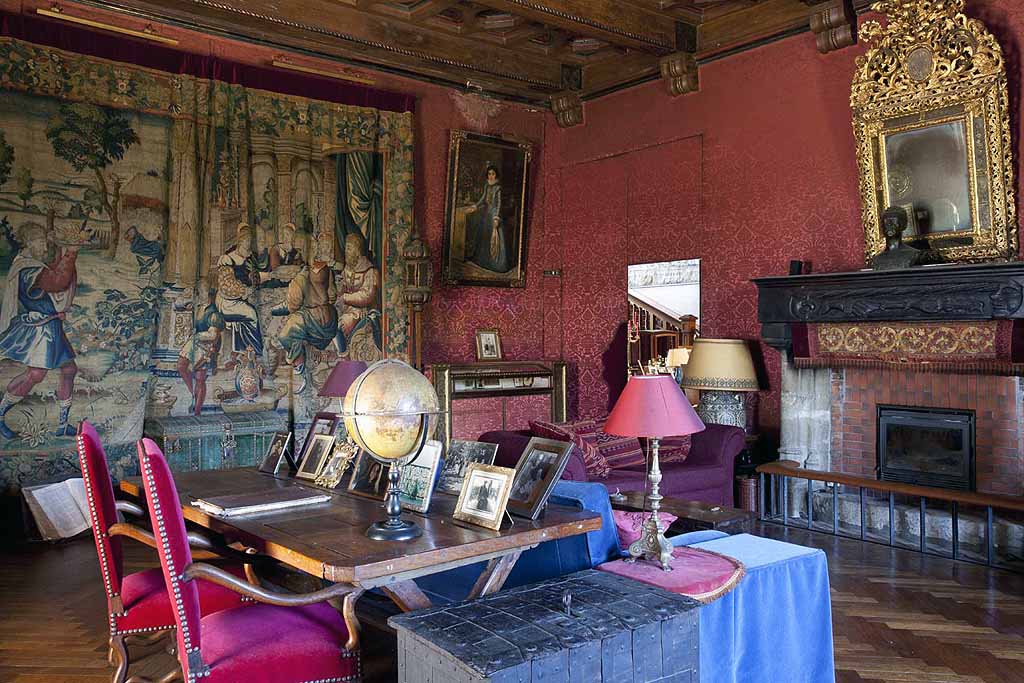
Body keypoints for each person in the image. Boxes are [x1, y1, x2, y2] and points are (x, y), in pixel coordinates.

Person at [0, 222, 79, 438]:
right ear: (30, 243)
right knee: (35, 374)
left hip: (50, 325)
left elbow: (52, 269)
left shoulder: (30, 264)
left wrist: (60, 247)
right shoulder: (27, 268)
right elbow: (58, 281)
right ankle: (0, 415)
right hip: (42, 329)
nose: (45, 247)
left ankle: (62, 424)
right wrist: (71, 252)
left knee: (69, 369)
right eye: (42, 242)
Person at [277, 240, 338, 391]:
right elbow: (332, 296)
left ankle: (299, 365)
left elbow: (293, 305)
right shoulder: (327, 270)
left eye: (299, 251)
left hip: (314, 322)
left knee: (285, 335)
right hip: (330, 319)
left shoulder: (300, 278)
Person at [216, 222, 263, 365]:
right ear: (240, 240)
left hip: (244, 298)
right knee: (251, 314)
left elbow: (256, 278)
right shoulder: (228, 258)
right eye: (246, 240)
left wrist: (254, 278)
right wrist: (245, 290)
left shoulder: (251, 258)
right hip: (228, 301)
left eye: (250, 240)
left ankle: (242, 351)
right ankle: (257, 352)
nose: (248, 243)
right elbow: (226, 285)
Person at [176, 288, 224, 415]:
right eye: (199, 291)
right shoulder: (198, 308)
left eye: (202, 291)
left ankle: (197, 411)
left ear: (209, 295)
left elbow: (213, 336)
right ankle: (194, 392)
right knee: (181, 366)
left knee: (200, 378)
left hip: (206, 346)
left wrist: (196, 337)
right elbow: (178, 304)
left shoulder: (214, 314)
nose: (198, 294)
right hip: (194, 343)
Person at [336, 232, 380, 355]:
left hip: (361, 311)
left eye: (349, 248)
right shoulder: (348, 268)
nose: (346, 252)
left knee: (339, 327)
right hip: (345, 307)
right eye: (346, 248)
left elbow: (367, 295)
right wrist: (339, 287)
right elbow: (343, 289)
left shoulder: (370, 271)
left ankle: (343, 356)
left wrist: (345, 297)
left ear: (357, 250)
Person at [465, 165, 509, 273]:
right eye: (489, 174)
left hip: (494, 215)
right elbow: (483, 198)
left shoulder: (498, 188)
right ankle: (483, 262)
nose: (491, 176)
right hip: (486, 214)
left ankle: (496, 265)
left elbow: (498, 204)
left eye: (493, 174)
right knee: (484, 236)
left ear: (496, 175)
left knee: (495, 239)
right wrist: (475, 206)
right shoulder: (486, 186)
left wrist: (496, 218)